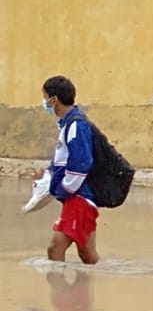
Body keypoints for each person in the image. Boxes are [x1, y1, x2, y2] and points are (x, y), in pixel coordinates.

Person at [41, 75, 100, 265]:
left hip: (79, 197)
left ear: (54, 99)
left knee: (55, 248)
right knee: (88, 255)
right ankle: (86, 292)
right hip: (80, 197)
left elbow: (82, 162)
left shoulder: (76, 125)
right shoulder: (68, 124)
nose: (44, 103)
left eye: (45, 97)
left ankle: (59, 292)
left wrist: (65, 189)